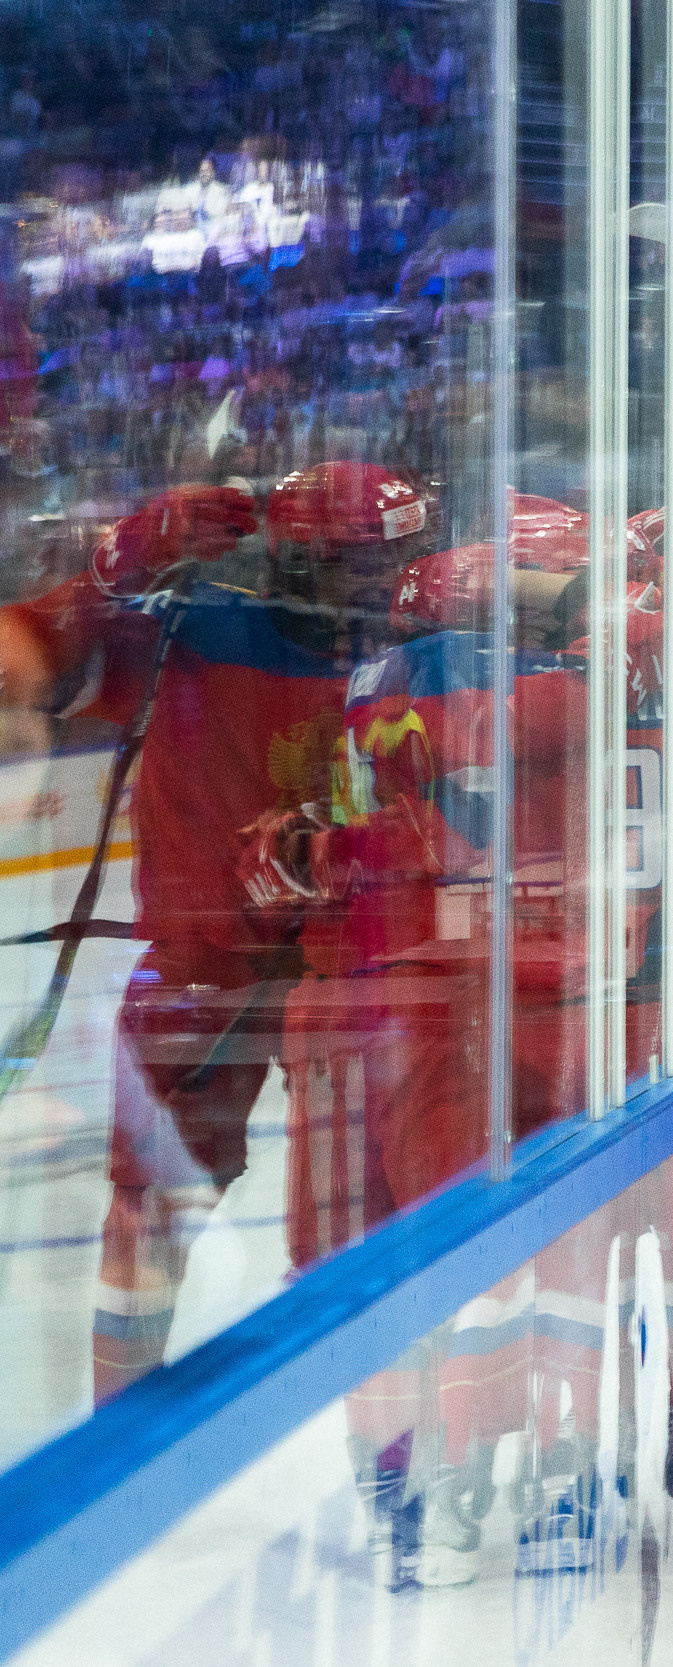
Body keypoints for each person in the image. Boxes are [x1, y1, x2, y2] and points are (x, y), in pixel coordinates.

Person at [0, 468, 423, 1406]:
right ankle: (120, 1424)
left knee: (379, 1220)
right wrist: (119, 563)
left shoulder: (422, 653)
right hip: (207, 976)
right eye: (359, 567)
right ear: (300, 559)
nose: (381, 590)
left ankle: (397, 1441)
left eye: (391, 563)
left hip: (355, 980)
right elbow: (16, 664)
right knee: (147, 1212)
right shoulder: (189, 631)